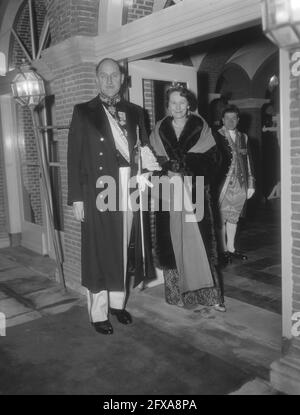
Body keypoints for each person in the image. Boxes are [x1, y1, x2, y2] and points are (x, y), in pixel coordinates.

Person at [67, 58, 159, 335]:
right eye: (104, 75)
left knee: (123, 247)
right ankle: (98, 312)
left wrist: (146, 173)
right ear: (97, 79)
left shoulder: (136, 112)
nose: (109, 80)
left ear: (122, 79)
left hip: (128, 185)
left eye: (114, 75)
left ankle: (118, 304)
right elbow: (74, 157)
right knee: (98, 249)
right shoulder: (83, 111)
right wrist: (77, 199)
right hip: (96, 188)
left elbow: (143, 149)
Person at [149, 85, 225, 311]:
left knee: (200, 241)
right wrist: (165, 169)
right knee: (172, 242)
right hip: (168, 192)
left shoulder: (201, 128)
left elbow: (215, 160)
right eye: (174, 103)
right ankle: (178, 295)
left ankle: (211, 297)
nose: (178, 107)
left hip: (196, 191)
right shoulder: (159, 129)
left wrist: (184, 165)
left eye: (182, 102)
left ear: (189, 104)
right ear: (167, 105)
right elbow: (151, 160)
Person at [213, 105, 255, 264]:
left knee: (234, 218)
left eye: (234, 118)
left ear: (238, 120)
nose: (230, 121)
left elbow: (249, 161)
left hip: (240, 184)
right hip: (222, 185)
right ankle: (222, 251)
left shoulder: (243, 137)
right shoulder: (215, 136)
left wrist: (251, 184)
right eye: (227, 118)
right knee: (221, 218)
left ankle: (231, 248)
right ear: (222, 120)